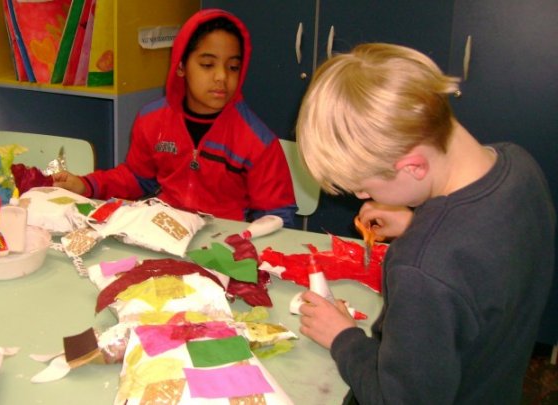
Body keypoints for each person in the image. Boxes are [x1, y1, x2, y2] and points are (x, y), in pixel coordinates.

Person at [295, 43, 555, 404]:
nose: (362, 196)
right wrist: (419, 221)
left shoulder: (421, 268)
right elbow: (482, 251)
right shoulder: (520, 166)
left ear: (413, 167)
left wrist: (343, 337)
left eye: (366, 186)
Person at [53, 9, 297, 226]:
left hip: (223, 244)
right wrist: (87, 185)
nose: (222, 76)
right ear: (181, 66)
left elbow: (276, 214)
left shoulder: (257, 141)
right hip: (165, 231)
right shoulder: (152, 120)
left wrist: (246, 243)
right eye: (207, 65)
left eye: (233, 67)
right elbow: (137, 178)